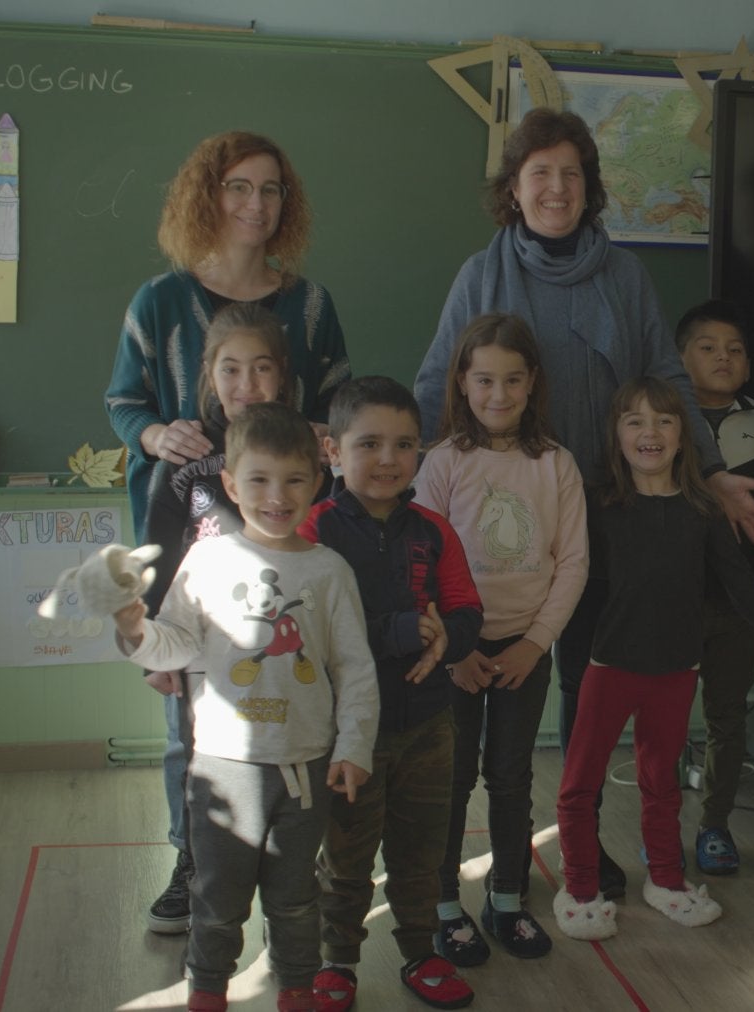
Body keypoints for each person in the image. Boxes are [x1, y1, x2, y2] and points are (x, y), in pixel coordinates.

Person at [413, 109, 754, 896]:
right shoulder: (481, 275)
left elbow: (668, 383)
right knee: (484, 711)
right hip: (502, 531)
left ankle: (582, 843)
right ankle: (469, 870)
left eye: (572, 172)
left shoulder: (625, 275)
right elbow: (439, 379)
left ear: (591, 188)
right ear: (513, 188)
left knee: (589, 686)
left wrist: (707, 471)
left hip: (608, 520)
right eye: (539, 172)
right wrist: (399, 481)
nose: (556, 187)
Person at [105, 131, 349, 932]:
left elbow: (338, 410)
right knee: (191, 722)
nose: (255, 203)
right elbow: (123, 403)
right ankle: (193, 862)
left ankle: (291, 857)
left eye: (271, 189)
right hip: (192, 543)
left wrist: (322, 438)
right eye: (238, 187)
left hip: (288, 541)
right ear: (208, 195)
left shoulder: (309, 306)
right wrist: (154, 437)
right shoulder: (158, 301)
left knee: (294, 705)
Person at [113, 402, 378, 1012]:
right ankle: (207, 992)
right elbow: (173, 643)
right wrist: (133, 629)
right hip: (222, 768)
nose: (276, 495)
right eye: (258, 479)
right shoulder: (206, 560)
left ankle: (295, 990)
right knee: (217, 897)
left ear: (318, 482)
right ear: (230, 484)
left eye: (294, 480)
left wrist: (354, 746)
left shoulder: (330, 571)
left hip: (305, 766)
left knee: (294, 898)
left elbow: (355, 668)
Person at [550, 378, 754, 942]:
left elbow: (743, 590)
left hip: (675, 673)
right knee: (579, 786)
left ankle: (666, 882)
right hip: (608, 668)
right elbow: (567, 583)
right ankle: (579, 888)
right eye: (635, 421)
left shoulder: (702, 511)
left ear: (683, 438)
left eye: (664, 421)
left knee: (662, 785)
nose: (649, 432)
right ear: (617, 435)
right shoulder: (598, 506)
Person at [301, 378, 483, 1012]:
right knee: (346, 858)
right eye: (369, 443)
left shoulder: (433, 530)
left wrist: (447, 640)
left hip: (431, 724)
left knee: (422, 854)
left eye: (404, 444)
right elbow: (314, 637)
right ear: (331, 450)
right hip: (350, 735)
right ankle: (337, 964)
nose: (387, 459)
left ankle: (421, 953)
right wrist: (405, 631)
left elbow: (466, 612)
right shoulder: (312, 533)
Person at [413, 312, 588, 964]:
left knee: (511, 777)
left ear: (532, 383)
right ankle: (442, 904)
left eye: (513, 380)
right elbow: (419, 565)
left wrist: (535, 643)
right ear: (462, 381)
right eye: (484, 379)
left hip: (523, 651)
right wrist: (453, 652)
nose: (498, 394)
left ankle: (508, 898)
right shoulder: (441, 464)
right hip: (453, 654)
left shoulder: (557, 465)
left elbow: (572, 562)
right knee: (451, 779)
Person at [134, 303, 303, 934]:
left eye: (261, 368)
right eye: (230, 369)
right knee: (191, 751)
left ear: (282, 376)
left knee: (287, 748)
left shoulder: (307, 453)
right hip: (200, 652)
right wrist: (155, 650)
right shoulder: (186, 464)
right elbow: (153, 558)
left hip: (282, 649)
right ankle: (192, 862)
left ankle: (288, 870)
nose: (246, 384)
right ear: (209, 374)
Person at [675, 299, 754, 876]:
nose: (723, 357)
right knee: (664, 717)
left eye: (735, 350)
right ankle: (658, 827)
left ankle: (715, 826)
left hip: (738, 595)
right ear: (678, 358)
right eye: (707, 347)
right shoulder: (660, 417)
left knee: (728, 715)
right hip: (674, 594)